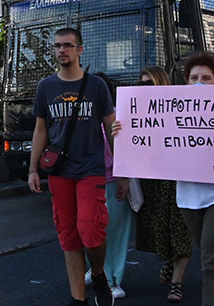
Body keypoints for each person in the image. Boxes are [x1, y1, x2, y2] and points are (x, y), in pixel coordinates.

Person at [113, 53, 214, 306]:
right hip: (189, 199)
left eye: (206, 78)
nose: (200, 82)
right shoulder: (173, 112)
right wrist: (124, 133)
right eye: (194, 77)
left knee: (212, 264)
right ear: (186, 82)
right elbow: (151, 147)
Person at [28, 28, 117, 306]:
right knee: (67, 234)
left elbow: (110, 128)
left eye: (67, 45)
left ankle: (99, 273)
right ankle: (77, 298)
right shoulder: (46, 87)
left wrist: (124, 171)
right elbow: (41, 129)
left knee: (90, 228)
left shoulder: (96, 86)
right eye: (57, 46)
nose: (61, 51)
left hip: (91, 167)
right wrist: (32, 169)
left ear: (80, 49)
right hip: (59, 171)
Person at [131, 66, 193, 304]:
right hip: (152, 179)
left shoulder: (179, 105)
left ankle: (177, 283)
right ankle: (169, 260)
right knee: (160, 227)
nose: (145, 88)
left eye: (150, 83)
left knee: (180, 227)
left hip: (179, 178)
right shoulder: (136, 111)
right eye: (142, 84)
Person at [92, 72, 133, 300]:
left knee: (116, 234)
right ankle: (98, 271)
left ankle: (113, 279)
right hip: (88, 181)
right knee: (92, 231)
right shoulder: (82, 116)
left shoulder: (122, 115)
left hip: (114, 180)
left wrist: (123, 177)